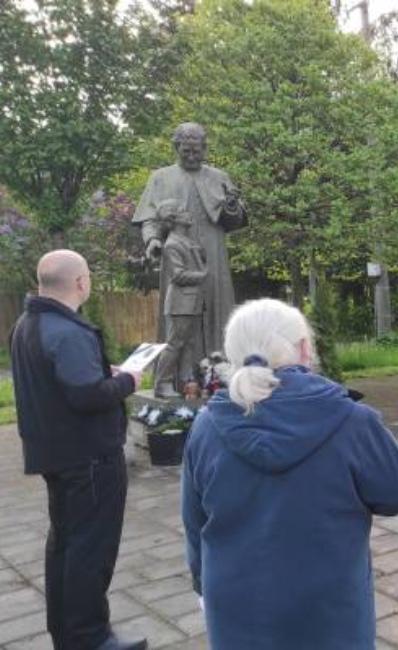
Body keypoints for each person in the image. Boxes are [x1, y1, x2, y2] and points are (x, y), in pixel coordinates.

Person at [181, 299, 398, 649]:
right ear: (305, 348)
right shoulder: (351, 420)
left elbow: (194, 522)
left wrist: (203, 586)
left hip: (237, 609)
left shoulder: (207, 426)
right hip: (327, 614)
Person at [9, 250, 146, 650]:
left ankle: (68, 634)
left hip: (57, 455)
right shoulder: (67, 331)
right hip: (89, 459)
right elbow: (87, 395)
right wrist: (129, 382)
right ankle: (91, 638)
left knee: (66, 546)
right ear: (81, 282)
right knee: (91, 551)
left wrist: (107, 372)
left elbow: (64, 382)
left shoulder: (29, 323)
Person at [132, 122, 246, 353]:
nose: (193, 156)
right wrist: (152, 239)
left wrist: (232, 207)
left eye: (197, 151)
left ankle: (220, 369)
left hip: (213, 254)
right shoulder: (161, 177)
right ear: (176, 147)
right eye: (187, 151)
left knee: (218, 307)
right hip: (178, 255)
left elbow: (235, 222)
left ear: (204, 149)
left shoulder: (219, 177)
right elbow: (150, 218)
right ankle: (177, 376)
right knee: (179, 315)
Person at [153, 201, 208, 398]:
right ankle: (162, 384)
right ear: (174, 219)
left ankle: (187, 382)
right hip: (180, 303)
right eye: (183, 211)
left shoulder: (186, 241)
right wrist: (202, 275)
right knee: (175, 344)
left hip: (192, 302)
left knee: (190, 343)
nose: (189, 214)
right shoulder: (172, 244)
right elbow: (177, 275)